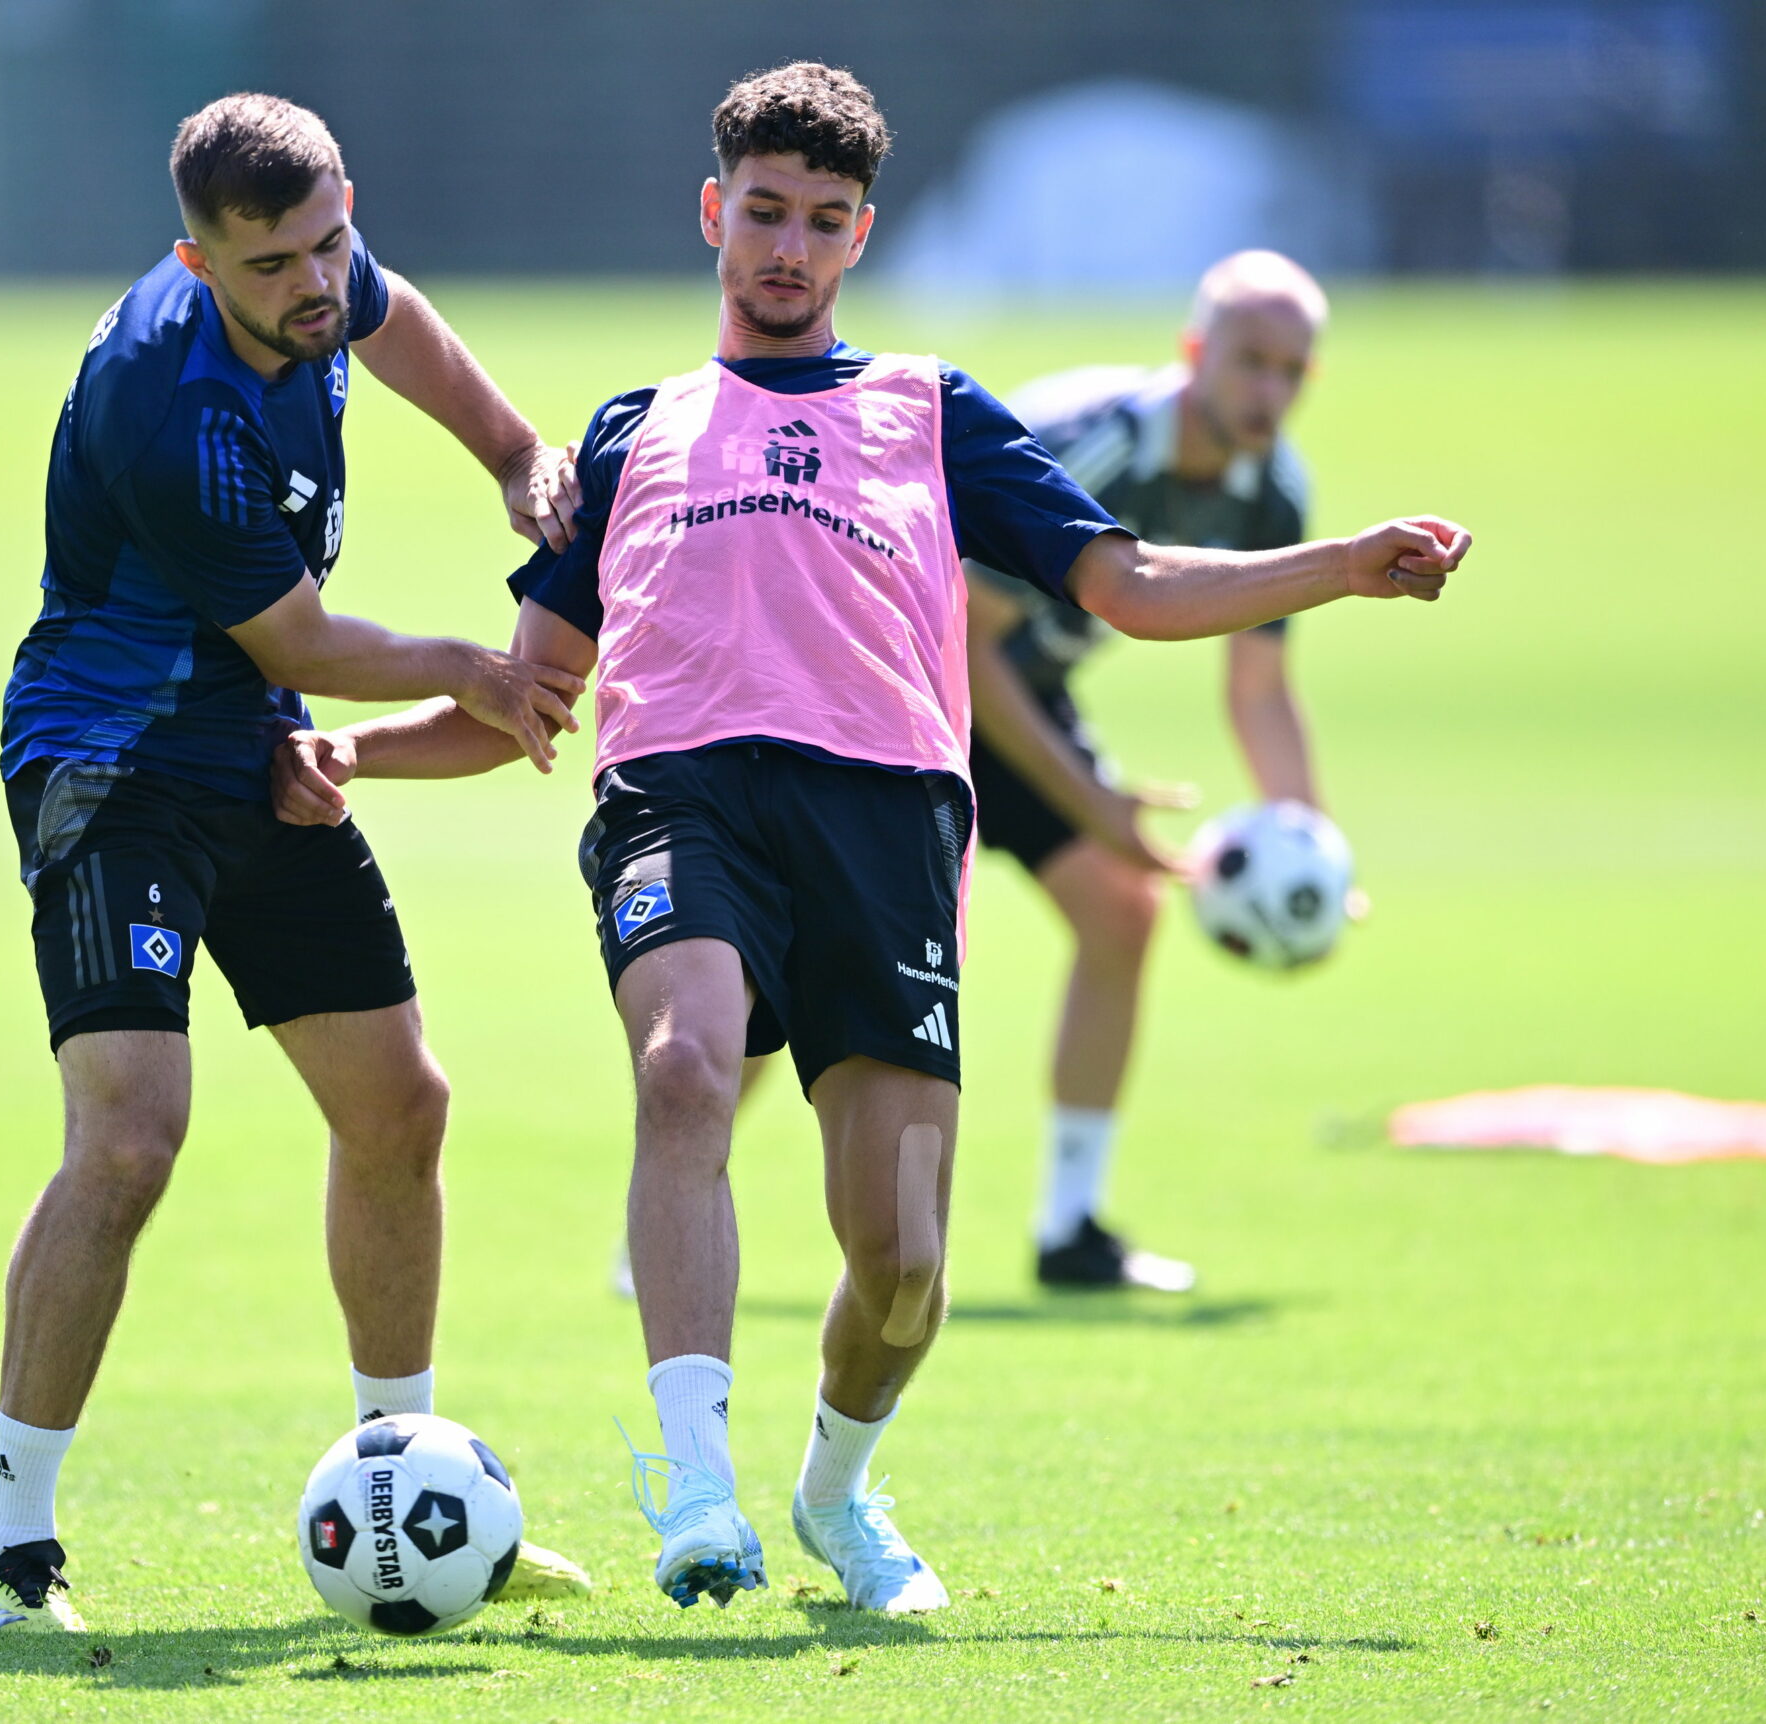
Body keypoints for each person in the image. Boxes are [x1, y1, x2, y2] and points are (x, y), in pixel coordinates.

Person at [268, 63, 1471, 1617]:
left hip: (888, 821)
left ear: (859, 238)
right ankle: (694, 1486)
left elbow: (1135, 586)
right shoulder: (630, 436)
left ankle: (835, 1492)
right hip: (682, 797)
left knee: (901, 1259)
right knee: (687, 1065)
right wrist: (353, 751)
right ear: (715, 213)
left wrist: (1343, 567)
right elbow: (528, 698)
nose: (786, 246)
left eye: (822, 223)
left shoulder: (932, 411)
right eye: (763, 212)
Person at [0, 92, 591, 1633]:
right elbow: (299, 636)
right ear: (198, 257)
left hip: (252, 745)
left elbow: (398, 325)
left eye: (330, 245)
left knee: (402, 1105)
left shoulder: (327, 271)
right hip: (111, 763)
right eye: (272, 269)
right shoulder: (162, 404)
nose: (315, 286)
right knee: (129, 1140)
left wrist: (513, 451)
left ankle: (408, 1484)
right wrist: (473, 667)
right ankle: (10, 1552)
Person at [972, 249, 1335, 1293]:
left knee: (1121, 911)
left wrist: (1306, 849)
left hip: (1013, 683)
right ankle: (675, 1190)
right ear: (1193, 352)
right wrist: (1094, 806)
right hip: (896, 675)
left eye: (1291, 370)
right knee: (818, 951)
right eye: (1250, 361)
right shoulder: (1103, 448)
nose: (1269, 391)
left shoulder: (1271, 492)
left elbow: (1259, 690)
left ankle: (1070, 1232)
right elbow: (962, 637)